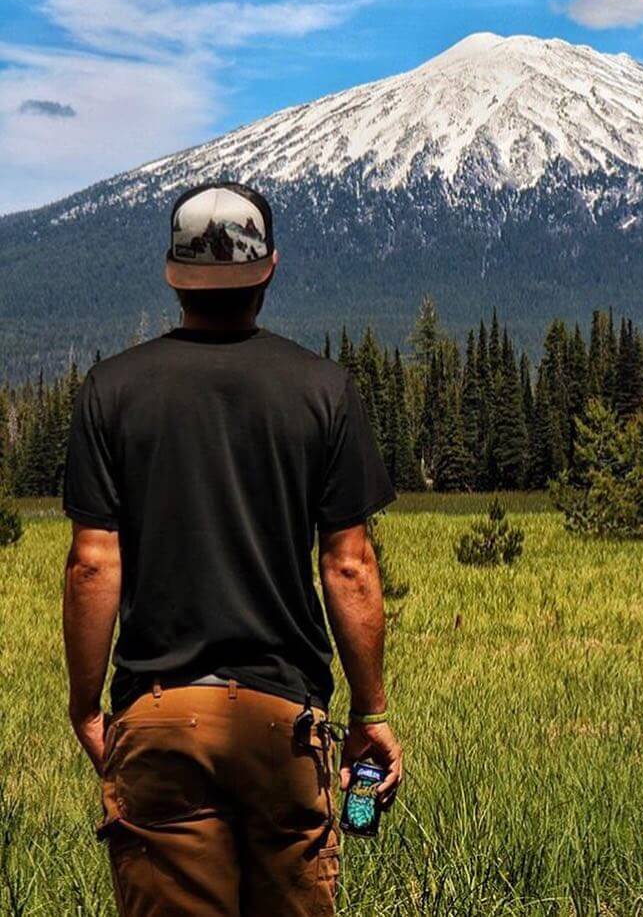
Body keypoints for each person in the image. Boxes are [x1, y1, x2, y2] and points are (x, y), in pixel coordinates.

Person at [61, 181, 402, 917]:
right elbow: (348, 564)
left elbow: (93, 561)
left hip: (156, 715)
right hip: (284, 724)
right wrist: (370, 711)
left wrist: (87, 707)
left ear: (172, 275)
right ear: (269, 269)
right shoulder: (324, 389)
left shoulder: (109, 390)